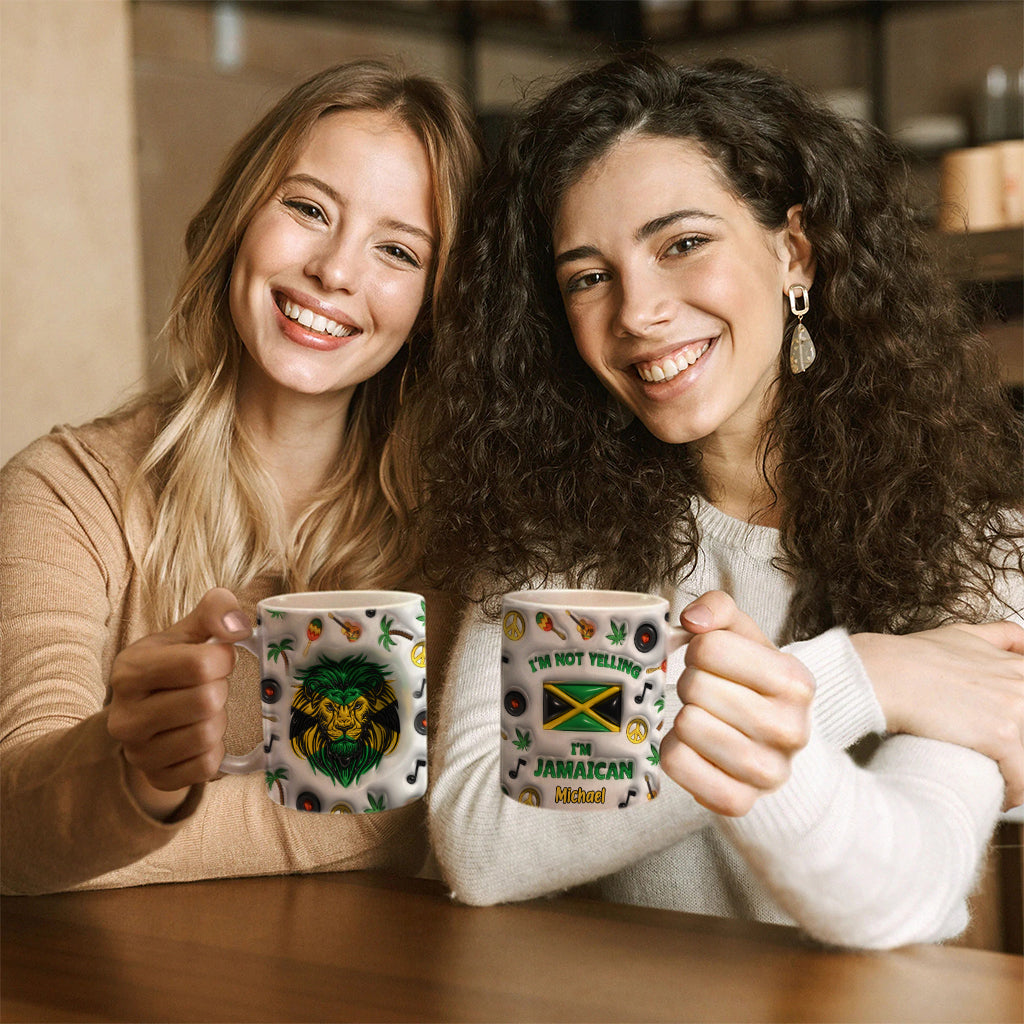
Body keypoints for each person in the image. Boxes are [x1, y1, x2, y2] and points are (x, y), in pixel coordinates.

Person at [415, 53, 1024, 949]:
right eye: (588, 276)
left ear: (794, 252)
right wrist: (858, 677)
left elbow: (901, 891)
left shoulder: (977, 545)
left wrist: (781, 692)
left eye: (682, 244)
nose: (637, 311)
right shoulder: (554, 539)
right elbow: (481, 844)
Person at [0, 59, 481, 895]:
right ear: (237, 220)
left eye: (397, 250)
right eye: (307, 208)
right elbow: (15, 824)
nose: (336, 270)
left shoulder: (461, 533)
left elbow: (425, 806)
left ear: (434, 304)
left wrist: (123, 833)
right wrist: (137, 776)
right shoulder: (65, 491)